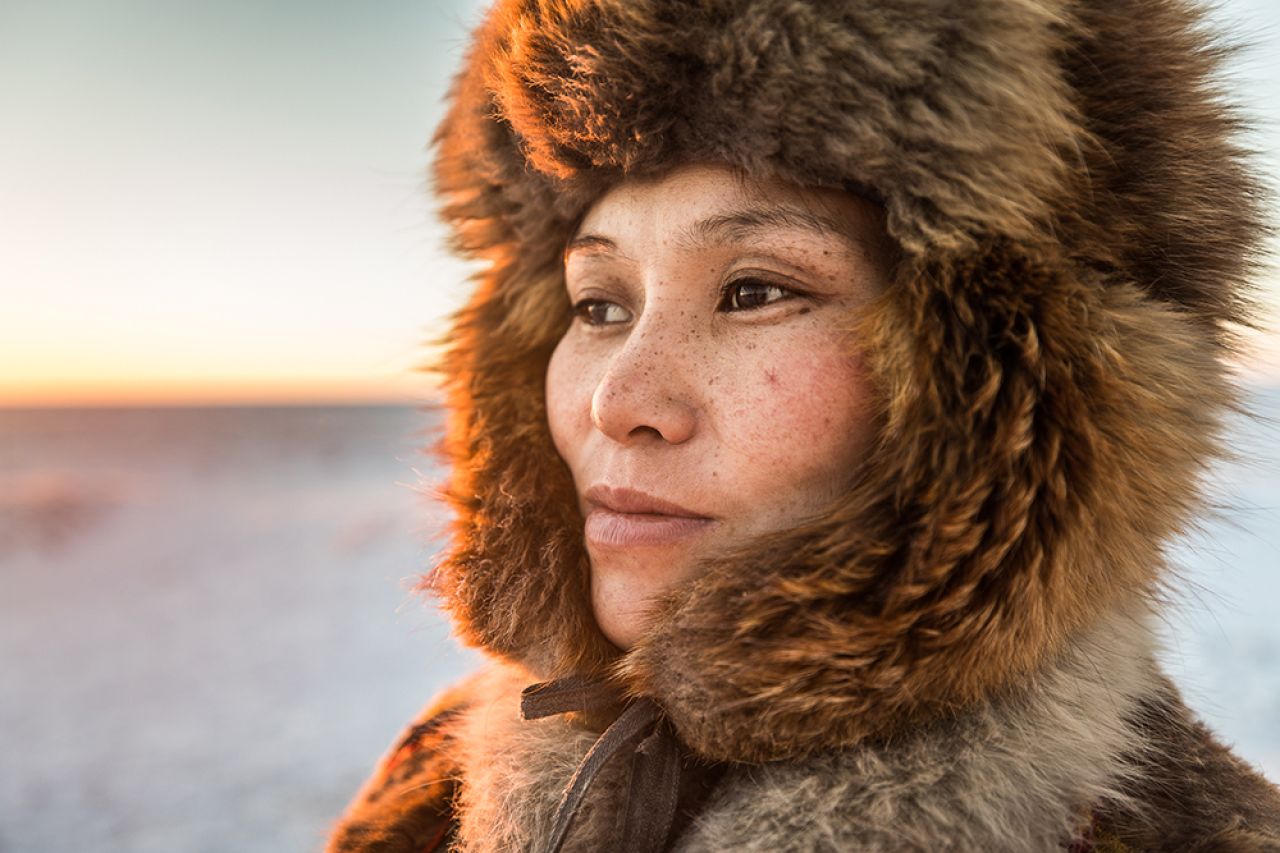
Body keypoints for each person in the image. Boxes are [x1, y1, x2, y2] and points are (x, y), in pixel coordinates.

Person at [326, 0, 1280, 850]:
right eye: (599, 304)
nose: (620, 401)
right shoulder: (427, 787)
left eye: (754, 292)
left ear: (1004, 388)